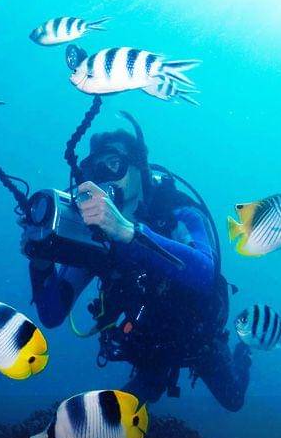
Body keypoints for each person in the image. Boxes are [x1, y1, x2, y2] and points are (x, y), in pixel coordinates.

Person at [22, 115, 251, 411]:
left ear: (140, 168)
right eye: (94, 169)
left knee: (233, 399)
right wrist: (40, 262)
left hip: (196, 338)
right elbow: (52, 314)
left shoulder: (178, 211)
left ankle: (244, 355)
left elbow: (205, 272)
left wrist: (128, 233)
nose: (104, 177)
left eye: (114, 164)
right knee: (120, 415)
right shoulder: (97, 235)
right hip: (148, 346)